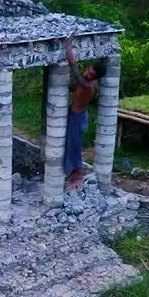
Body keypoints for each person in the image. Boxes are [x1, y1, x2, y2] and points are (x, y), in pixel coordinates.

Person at [62, 32, 106, 190]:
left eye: (92, 74)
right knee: (72, 144)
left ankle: (77, 175)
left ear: (95, 77)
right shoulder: (90, 82)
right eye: (89, 70)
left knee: (73, 146)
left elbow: (72, 65)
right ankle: (74, 172)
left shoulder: (86, 84)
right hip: (79, 115)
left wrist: (68, 45)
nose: (88, 73)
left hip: (77, 117)